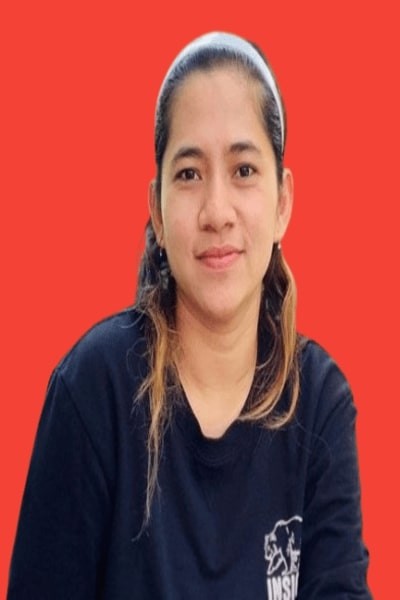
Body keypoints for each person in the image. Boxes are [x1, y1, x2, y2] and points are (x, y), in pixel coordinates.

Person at [7, 32, 372, 599]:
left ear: (282, 203)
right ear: (157, 210)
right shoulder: (93, 390)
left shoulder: (319, 402)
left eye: (244, 170)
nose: (216, 211)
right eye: (189, 174)